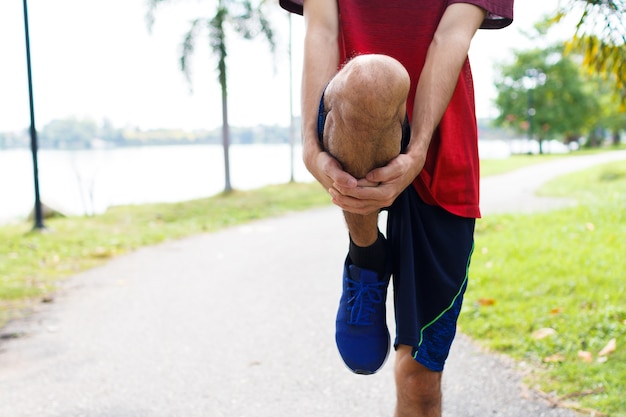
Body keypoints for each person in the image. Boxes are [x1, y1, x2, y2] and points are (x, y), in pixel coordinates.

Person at [279, 1, 514, 416]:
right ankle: (366, 254)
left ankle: (370, 254)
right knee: (374, 77)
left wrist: (418, 147)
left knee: (420, 380)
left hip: (440, 141)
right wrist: (310, 148)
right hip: (351, 114)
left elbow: (451, 36)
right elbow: (322, 31)